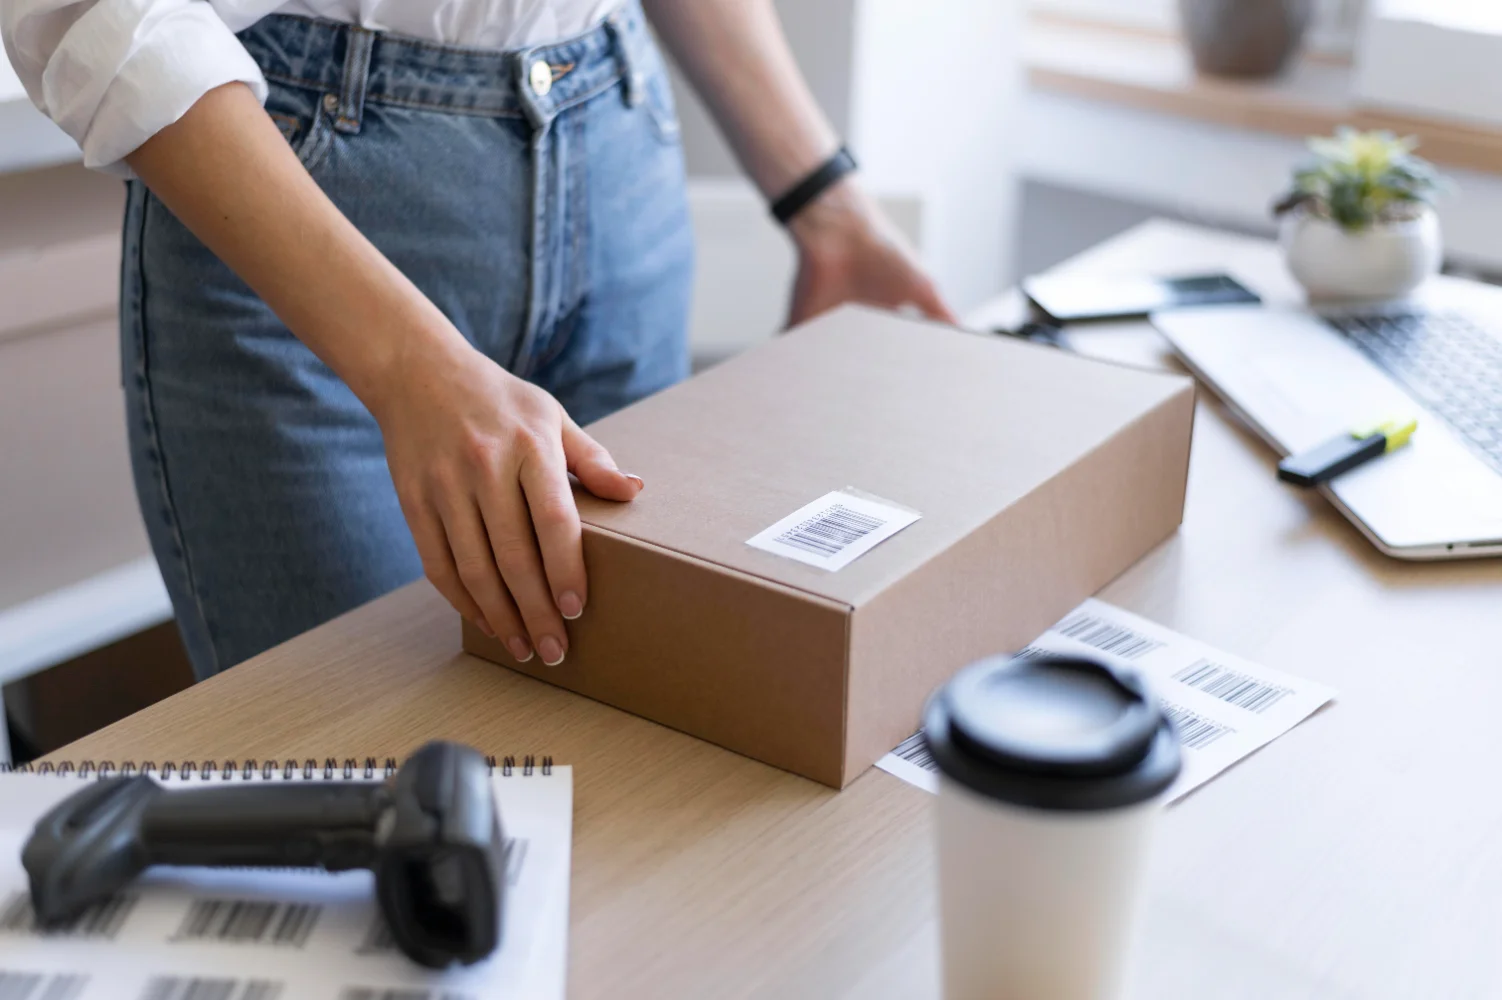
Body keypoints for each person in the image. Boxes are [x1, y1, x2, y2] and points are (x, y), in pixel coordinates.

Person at [3, 0, 954, 680]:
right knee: (371, 808)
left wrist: (822, 197)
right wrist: (404, 363)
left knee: (644, 763)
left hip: (620, 152)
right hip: (311, 196)